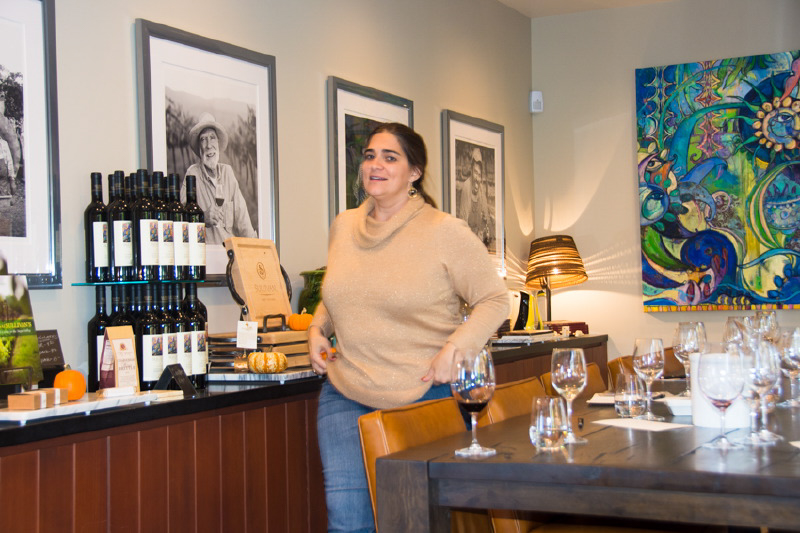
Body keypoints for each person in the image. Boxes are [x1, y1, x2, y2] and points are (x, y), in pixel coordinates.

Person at [308, 123, 509, 532]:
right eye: (369, 156)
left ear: (414, 172)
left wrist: (457, 348)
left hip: (423, 393)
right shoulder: (343, 225)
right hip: (344, 394)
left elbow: (495, 299)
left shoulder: (444, 231)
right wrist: (317, 328)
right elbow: (342, 290)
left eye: (390, 157)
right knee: (348, 524)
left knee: (413, 522)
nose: (375, 165)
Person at [180, 112, 257, 244]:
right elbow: (179, 221)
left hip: (229, 253)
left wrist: (255, 246)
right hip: (206, 254)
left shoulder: (228, 172)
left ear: (218, 142)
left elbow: (242, 218)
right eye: (203, 139)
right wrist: (201, 218)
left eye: (212, 138)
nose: (208, 145)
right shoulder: (192, 174)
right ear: (199, 147)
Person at [456, 146, 493, 247]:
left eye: (479, 174)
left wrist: (486, 230)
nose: (477, 178)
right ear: (471, 171)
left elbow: (486, 214)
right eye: (475, 173)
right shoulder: (466, 187)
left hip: (478, 240)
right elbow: (463, 221)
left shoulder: (481, 189)